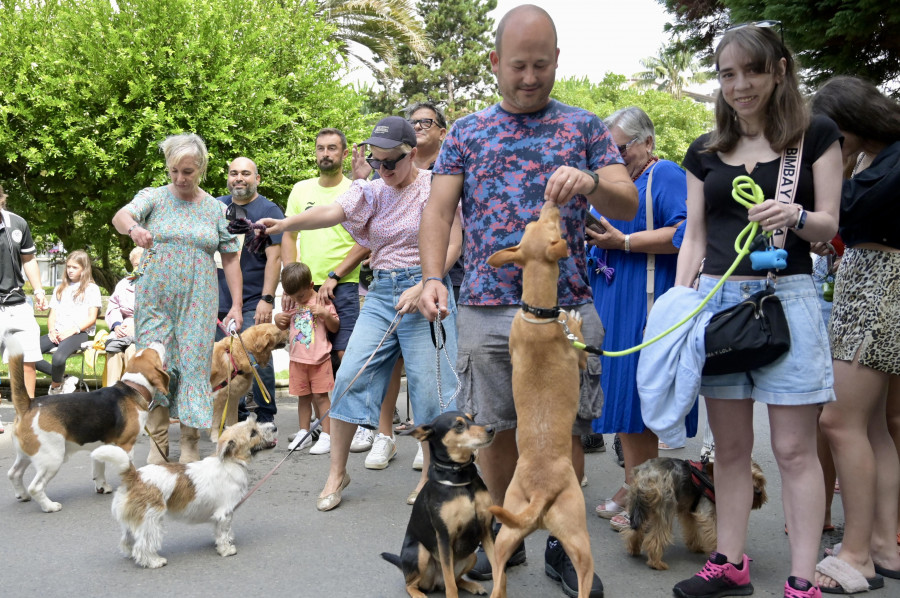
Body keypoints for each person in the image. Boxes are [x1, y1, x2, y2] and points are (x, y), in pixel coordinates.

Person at [417, 5, 638, 595]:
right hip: (487, 304)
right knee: (494, 428)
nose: (531, 76)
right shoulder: (466, 131)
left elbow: (627, 203)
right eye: (519, 65)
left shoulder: (585, 127)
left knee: (562, 431)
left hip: (566, 309)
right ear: (495, 63)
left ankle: (565, 548)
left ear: (558, 60)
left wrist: (592, 182)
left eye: (542, 64)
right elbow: (438, 211)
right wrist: (434, 275)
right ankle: (500, 538)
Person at [671, 25, 842, 598]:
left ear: (779, 71)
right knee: (731, 449)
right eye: (727, 74)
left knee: (794, 449)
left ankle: (801, 579)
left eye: (752, 71)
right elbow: (693, 239)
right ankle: (730, 560)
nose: (739, 85)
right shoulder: (703, 150)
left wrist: (793, 216)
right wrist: (679, 310)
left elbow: (828, 227)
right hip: (718, 302)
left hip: (786, 298)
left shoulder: (813, 136)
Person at [262, 116, 463, 512]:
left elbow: (453, 238)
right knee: (350, 374)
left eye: (392, 161)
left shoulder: (434, 186)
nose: (383, 169)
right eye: (376, 161)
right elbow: (330, 211)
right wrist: (285, 224)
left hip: (426, 287)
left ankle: (428, 478)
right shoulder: (371, 190)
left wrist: (426, 282)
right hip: (384, 289)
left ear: (413, 152)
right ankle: (338, 472)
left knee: (429, 388)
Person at [810, 76, 900, 591]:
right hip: (868, 285)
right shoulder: (875, 156)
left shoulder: (887, 160)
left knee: (840, 421)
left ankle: (858, 553)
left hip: (879, 289)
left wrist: (837, 164)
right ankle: (882, 545)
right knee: (870, 428)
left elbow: (848, 207)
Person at [585, 106, 694, 530]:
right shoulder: (619, 183)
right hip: (614, 298)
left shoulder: (663, 174)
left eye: (619, 148)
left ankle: (645, 499)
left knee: (637, 401)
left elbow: (686, 232)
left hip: (645, 301)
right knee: (624, 400)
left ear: (646, 142)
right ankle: (636, 486)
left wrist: (624, 241)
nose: (613, 157)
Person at [112, 133, 243, 465]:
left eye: (187, 172)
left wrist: (238, 306)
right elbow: (120, 216)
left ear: (200, 168)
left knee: (194, 368)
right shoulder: (153, 198)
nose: (180, 179)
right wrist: (133, 230)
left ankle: (189, 443)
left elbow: (230, 258)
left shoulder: (215, 208)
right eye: (174, 171)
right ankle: (157, 445)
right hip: (155, 301)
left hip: (198, 303)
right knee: (155, 366)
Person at [283, 128, 369, 444]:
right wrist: (291, 287)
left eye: (332, 148)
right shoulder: (300, 190)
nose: (325, 154)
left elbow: (366, 240)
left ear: (345, 153)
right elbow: (289, 236)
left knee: (346, 355)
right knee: (306, 356)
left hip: (342, 285)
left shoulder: (357, 190)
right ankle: (319, 429)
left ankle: (359, 424)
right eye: (320, 148)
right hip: (305, 287)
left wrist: (334, 276)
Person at [216, 157, 283, 428]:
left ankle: (266, 417)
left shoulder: (269, 210)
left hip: (254, 298)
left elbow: (275, 259)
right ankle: (237, 417)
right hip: (217, 298)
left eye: (245, 173)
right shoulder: (216, 206)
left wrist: (267, 299)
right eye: (234, 173)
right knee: (224, 363)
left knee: (258, 356)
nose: (239, 178)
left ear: (257, 179)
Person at [276, 262, 339, 455]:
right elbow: (284, 327)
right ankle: (304, 432)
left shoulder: (322, 302)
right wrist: (279, 320)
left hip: (319, 360)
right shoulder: (293, 303)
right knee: (303, 399)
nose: (298, 300)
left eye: (301, 296)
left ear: (311, 286)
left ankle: (327, 435)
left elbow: (335, 327)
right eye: (292, 296)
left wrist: (325, 314)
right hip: (297, 360)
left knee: (321, 398)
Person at [0, 184, 48, 416]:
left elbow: (28, 259)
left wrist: (38, 290)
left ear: (2, 199)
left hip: (18, 304)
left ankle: (27, 417)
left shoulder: (17, 224)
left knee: (28, 360)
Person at [37, 249, 101, 394]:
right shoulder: (60, 288)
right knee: (26, 353)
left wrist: (72, 330)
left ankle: (55, 386)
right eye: (68, 266)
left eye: (75, 267)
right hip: (58, 332)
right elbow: (52, 314)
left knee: (58, 359)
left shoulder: (92, 289)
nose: (70, 270)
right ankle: (65, 379)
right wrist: (52, 330)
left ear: (84, 269)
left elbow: (92, 318)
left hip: (78, 333)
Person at [103, 246, 143, 386]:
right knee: (113, 352)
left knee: (131, 351)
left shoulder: (157, 284)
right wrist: (116, 325)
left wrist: (133, 325)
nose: (140, 268)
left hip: (143, 329)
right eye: (136, 265)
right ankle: (110, 394)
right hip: (123, 328)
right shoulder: (124, 283)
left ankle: (132, 393)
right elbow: (113, 306)